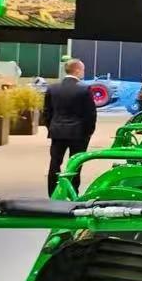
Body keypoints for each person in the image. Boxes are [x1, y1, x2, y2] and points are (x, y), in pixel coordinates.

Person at [44, 58, 97, 195]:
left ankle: (53, 192)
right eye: (83, 70)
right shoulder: (84, 89)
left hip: (57, 132)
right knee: (76, 164)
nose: (83, 72)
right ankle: (72, 192)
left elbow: (47, 112)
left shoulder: (53, 88)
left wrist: (51, 127)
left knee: (55, 163)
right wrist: (89, 132)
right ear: (77, 70)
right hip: (78, 134)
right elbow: (90, 114)